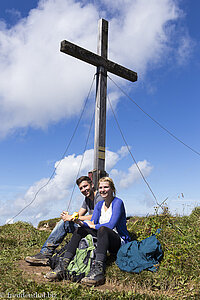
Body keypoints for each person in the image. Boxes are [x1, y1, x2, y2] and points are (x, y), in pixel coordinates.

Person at [45, 177, 131, 286]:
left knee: (103, 229)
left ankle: (98, 271)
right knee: (80, 229)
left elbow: (110, 225)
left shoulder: (118, 202)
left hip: (118, 240)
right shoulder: (100, 205)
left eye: (106, 187)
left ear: (112, 189)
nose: (103, 190)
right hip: (102, 236)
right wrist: (79, 222)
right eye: (101, 188)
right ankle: (63, 265)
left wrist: (93, 226)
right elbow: (92, 222)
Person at [25, 176, 103, 265]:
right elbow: (79, 214)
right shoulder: (87, 199)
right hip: (89, 227)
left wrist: (73, 218)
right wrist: (68, 216)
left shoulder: (99, 197)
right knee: (65, 222)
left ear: (92, 185)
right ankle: (46, 253)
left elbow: (97, 217)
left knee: (65, 223)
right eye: (81, 188)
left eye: (85, 186)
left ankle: (46, 253)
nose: (84, 189)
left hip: (98, 230)